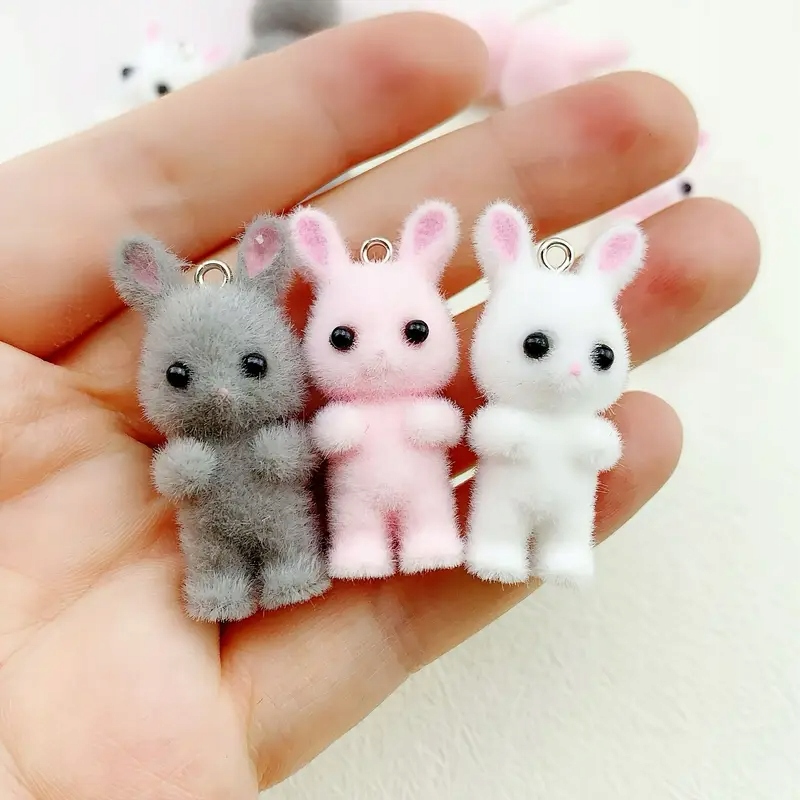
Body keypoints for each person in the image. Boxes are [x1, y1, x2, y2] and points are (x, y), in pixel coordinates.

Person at [0, 12, 759, 799]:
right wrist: (216, 460)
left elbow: (406, 436)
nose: (223, 389)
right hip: (243, 521)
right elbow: (255, 459)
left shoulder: (468, 403)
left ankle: (451, 542)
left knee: (453, 515)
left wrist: (483, 429)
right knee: (284, 539)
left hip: (465, 480)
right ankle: (300, 562)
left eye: (412, 333)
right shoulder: (259, 424)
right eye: (187, 378)